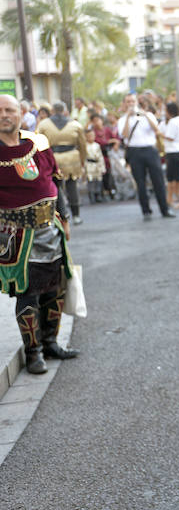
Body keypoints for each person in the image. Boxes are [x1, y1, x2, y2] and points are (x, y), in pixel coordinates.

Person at [0, 94, 78, 374]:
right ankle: (33, 353)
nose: (5, 115)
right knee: (27, 292)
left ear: (20, 113)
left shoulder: (39, 142)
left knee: (54, 289)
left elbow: (57, 181)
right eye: (0, 111)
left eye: (9, 109)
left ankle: (51, 343)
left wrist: (65, 218)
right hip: (15, 236)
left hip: (50, 228)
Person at [117, 93, 174, 221]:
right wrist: (127, 117)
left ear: (137, 102)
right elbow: (124, 135)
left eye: (132, 101)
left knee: (158, 181)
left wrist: (145, 115)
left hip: (149, 150)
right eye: (128, 102)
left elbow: (156, 130)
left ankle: (164, 209)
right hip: (134, 151)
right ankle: (146, 211)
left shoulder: (148, 115)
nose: (130, 104)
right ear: (124, 104)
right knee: (140, 182)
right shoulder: (122, 120)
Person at [37, 101, 87, 226]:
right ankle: (76, 215)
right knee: (72, 186)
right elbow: (82, 145)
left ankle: (60, 215)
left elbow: (37, 143)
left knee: (55, 186)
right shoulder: (75, 125)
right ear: (65, 110)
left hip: (52, 158)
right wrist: (82, 160)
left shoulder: (43, 124)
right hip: (72, 159)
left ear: (52, 111)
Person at [163, 102, 179, 209]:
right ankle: (173, 198)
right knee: (177, 177)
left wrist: (160, 134)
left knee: (177, 178)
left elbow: (170, 137)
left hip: (174, 152)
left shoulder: (173, 121)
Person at [83, 127, 105, 204]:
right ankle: (91, 195)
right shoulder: (85, 146)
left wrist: (102, 167)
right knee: (90, 181)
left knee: (98, 180)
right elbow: (83, 157)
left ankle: (98, 195)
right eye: (89, 136)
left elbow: (100, 157)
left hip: (97, 165)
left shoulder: (97, 145)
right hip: (89, 165)